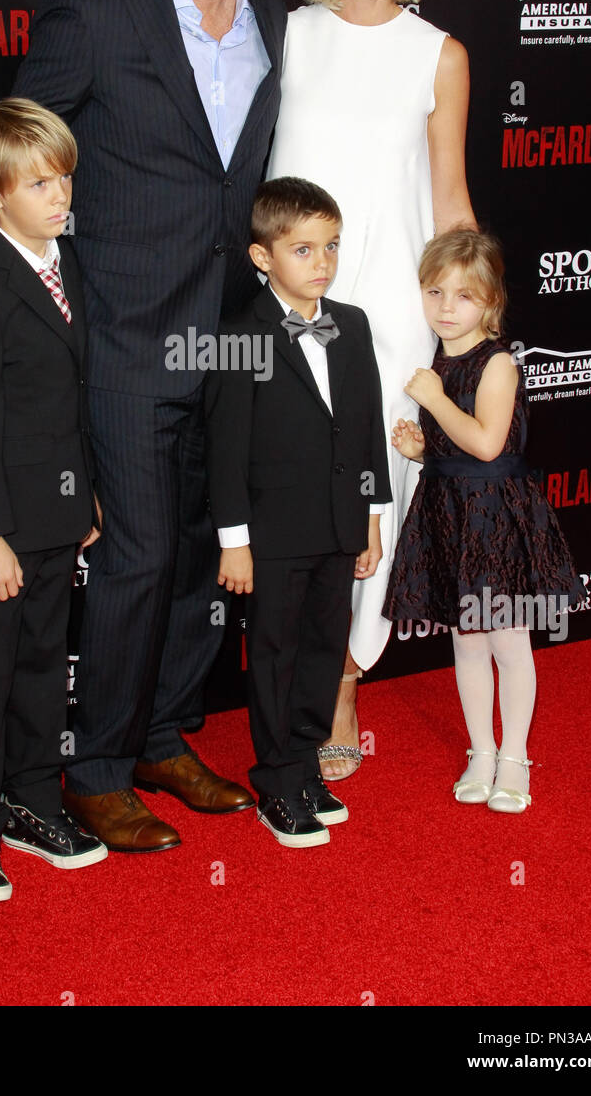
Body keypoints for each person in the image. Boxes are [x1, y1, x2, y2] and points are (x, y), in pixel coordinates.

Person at [0, 0, 287, 851]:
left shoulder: (276, 17)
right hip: (124, 333)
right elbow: (4, 149)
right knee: (131, 557)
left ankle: (165, 732)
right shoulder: (95, 11)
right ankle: (96, 768)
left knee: (194, 555)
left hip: (230, 339)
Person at [266, 0, 476, 778]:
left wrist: (470, 327)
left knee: (376, 503)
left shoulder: (440, 56)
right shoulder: (288, 36)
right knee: (285, 494)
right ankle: (282, 677)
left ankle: (346, 678)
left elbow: (452, 201)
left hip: (391, 313)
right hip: (285, 310)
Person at [0, 98, 107, 901]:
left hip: (57, 514)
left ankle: (33, 800)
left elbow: (70, 399)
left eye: (63, 178)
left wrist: (87, 499)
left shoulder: (66, 262)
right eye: (38, 184)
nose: (59, 196)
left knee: (42, 667)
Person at [204, 179, 391, 845]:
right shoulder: (237, 336)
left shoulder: (354, 324)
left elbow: (366, 426)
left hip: (340, 525)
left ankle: (305, 761)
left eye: (331, 247)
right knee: (276, 654)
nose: (322, 262)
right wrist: (234, 541)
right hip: (273, 537)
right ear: (263, 257)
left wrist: (371, 516)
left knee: (320, 649)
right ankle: (276, 780)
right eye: (304, 249)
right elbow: (224, 451)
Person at [383, 230, 582, 813]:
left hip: (497, 519)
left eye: (464, 297)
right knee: (467, 642)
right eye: (435, 292)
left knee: (509, 641)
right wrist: (424, 450)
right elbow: (459, 448)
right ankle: (481, 750)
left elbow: (491, 446)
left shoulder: (497, 364)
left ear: (491, 303)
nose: (447, 308)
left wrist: (436, 401)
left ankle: (515, 755)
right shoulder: (439, 359)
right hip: (449, 511)